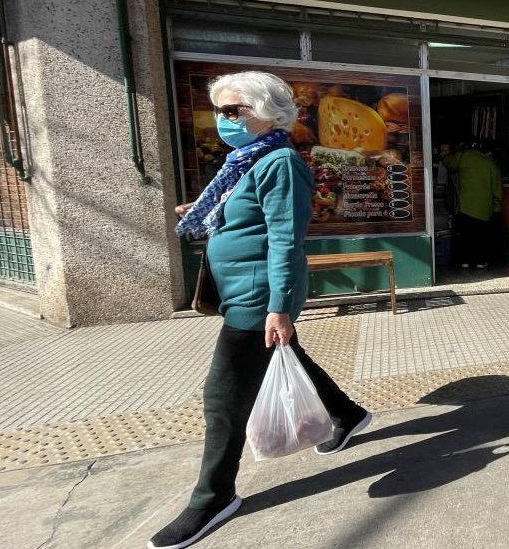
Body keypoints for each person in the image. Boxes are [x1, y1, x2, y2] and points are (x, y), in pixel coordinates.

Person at [150, 72, 371, 549]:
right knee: (287, 358)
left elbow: (286, 242)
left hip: (257, 297)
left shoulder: (281, 162)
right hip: (239, 289)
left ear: (267, 111)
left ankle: (213, 497)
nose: (223, 120)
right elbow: (252, 213)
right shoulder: (244, 162)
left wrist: (278, 308)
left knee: (222, 396)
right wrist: (213, 210)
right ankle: (348, 415)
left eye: (233, 111)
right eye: (220, 112)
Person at [442, 141, 502, 269]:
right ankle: (480, 261)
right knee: (481, 237)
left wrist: (445, 153)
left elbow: (448, 163)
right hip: (484, 208)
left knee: (465, 235)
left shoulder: (462, 157)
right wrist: (497, 206)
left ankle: (465, 261)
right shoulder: (490, 162)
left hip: (465, 206)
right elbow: (497, 188)